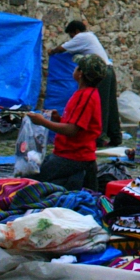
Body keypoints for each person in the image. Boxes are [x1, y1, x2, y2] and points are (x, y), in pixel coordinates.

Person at [28, 54, 105, 191]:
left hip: (74, 156)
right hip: (69, 154)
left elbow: (72, 130)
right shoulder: (83, 94)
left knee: (33, 184)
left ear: (80, 73)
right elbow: (79, 124)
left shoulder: (86, 96)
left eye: (77, 67)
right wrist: (59, 119)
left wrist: (43, 122)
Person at [49, 21, 121, 147]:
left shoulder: (81, 37)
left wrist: (52, 51)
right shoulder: (91, 36)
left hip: (99, 72)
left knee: (100, 105)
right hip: (109, 70)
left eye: (71, 35)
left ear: (76, 31)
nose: (71, 38)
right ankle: (115, 137)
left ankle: (98, 138)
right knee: (110, 105)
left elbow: (62, 49)